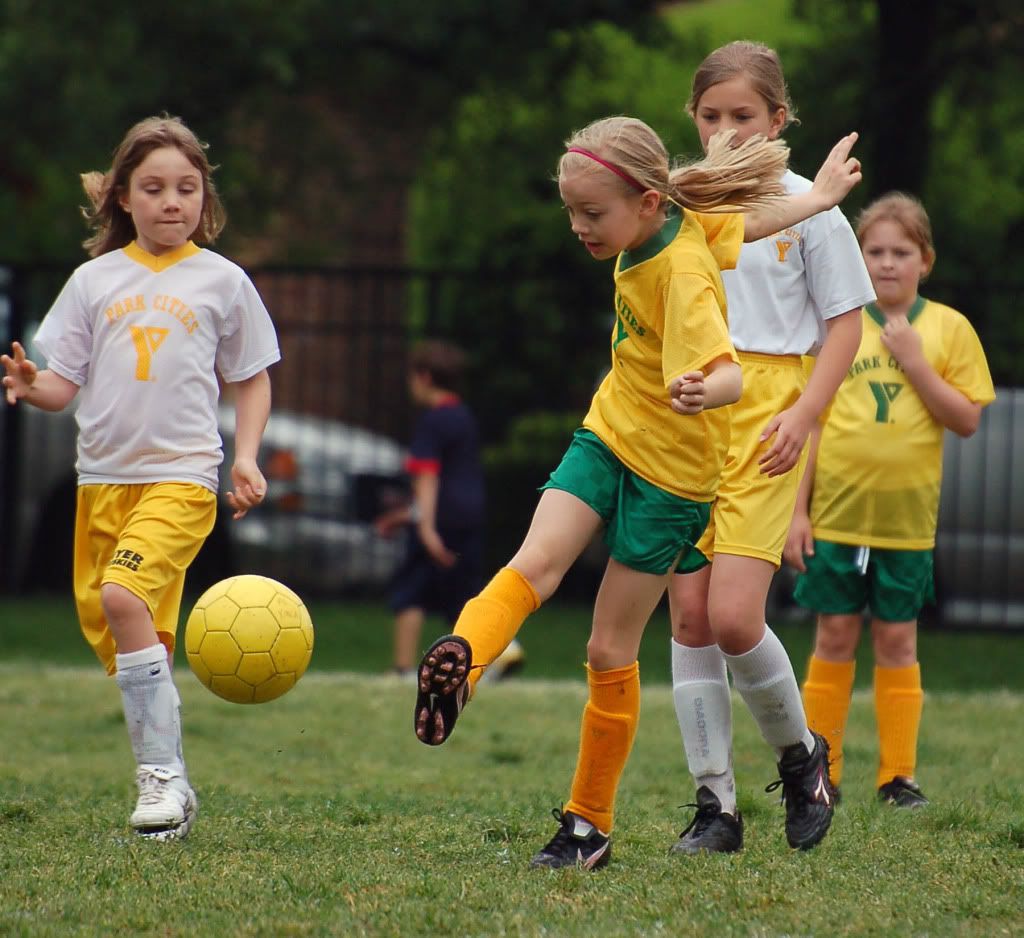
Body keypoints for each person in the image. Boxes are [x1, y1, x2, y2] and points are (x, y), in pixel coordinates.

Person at [411, 112, 863, 869]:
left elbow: (728, 371)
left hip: (672, 481)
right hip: (608, 434)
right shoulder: (671, 224)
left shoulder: (682, 277)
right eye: (572, 212)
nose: (580, 228)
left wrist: (704, 390)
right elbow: (746, 228)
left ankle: (588, 825)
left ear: (647, 203)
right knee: (534, 563)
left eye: (594, 213)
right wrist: (813, 201)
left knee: (607, 645)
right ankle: (464, 661)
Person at [1, 115, 280, 841]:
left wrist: (245, 457)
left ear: (203, 198)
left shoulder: (223, 280)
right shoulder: (95, 281)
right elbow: (64, 386)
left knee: (124, 597)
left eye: (187, 188)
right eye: (153, 188)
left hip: (182, 480)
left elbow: (251, 380)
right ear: (123, 196)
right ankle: (173, 781)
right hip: (102, 483)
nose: (171, 202)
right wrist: (32, 385)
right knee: (123, 629)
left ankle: (157, 780)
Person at [665, 40, 875, 855]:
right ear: (693, 119)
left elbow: (845, 324)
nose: (726, 132)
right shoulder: (681, 203)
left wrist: (805, 414)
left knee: (732, 616)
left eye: (743, 117)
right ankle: (714, 806)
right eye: (711, 116)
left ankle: (800, 759)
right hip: (690, 419)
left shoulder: (808, 203)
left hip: (766, 419)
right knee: (687, 615)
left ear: (777, 121)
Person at [785, 192, 995, 807]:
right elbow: (812, 423)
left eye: (901, 251)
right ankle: (823, 772)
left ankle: (898, 776)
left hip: (905, 525)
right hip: (838, 518)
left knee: (898, 642)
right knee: (834, 637)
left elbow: (966, 421)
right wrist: (797, 512)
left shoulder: (949, 328)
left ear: (924, 260)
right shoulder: (840, 327)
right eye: (873, 251)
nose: (886, 263)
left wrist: (917, 364)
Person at [375, 339, 524, 680]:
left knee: (410, 591)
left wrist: (424, 528)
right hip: (469, 517)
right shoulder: (463, 417)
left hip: (438, 518)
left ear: (424, 377)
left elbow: (427, 476)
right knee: (465, 592)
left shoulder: (433, 421)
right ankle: (505, 650)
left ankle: (400, 668)